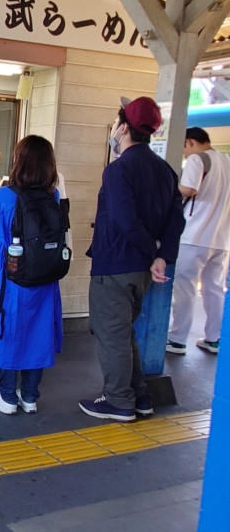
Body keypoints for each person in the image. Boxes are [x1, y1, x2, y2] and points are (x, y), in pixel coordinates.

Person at [80, 97, 185, 422]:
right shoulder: (165, 170)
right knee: (124, 334)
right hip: (141, 270)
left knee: (112, 335)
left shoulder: (119, 169)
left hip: (115, 265)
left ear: (124, 127)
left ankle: (118, 401)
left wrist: (152, 251)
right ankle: (139, 396)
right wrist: (162, 256)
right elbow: (176, 219)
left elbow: (125, 219)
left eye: (115, 123)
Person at [0, 136, 64, 414]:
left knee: (8, 328)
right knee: (38, 331)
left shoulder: (7, 195)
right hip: (45, 277)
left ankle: (7, 396)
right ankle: (30, 396)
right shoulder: (52, 195)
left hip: (12, 274)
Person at [167, 127, 230, 355]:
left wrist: (168, 189)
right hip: (221, 239)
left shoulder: (197, 159)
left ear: (189, 142)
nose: (184, 153)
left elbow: (188, 189)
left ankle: (177, 340)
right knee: (214, 290)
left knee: (185, 288)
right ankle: (214, 339)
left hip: (194, 236)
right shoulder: (226, 160)